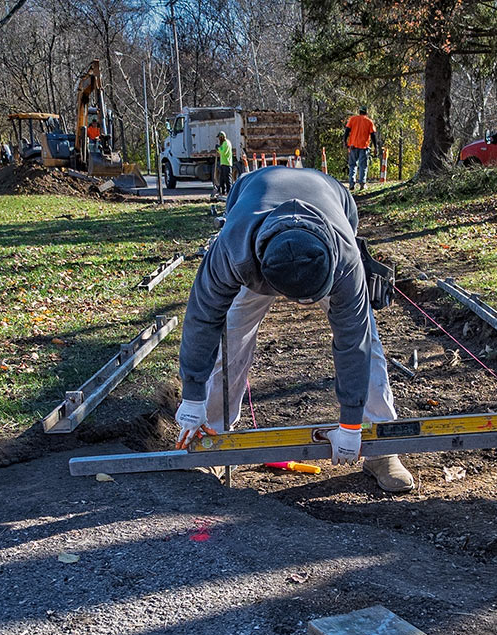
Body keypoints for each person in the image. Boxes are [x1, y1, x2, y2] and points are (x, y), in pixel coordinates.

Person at [173, 165, 413, 493]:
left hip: (329, 215)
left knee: (366, 336)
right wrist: (192, 394)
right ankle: (212, 438)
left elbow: (352, 341)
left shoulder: (345, 262)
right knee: (230, 334)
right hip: (257, 234)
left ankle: (378, 445)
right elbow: (203, 318)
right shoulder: (233, 249)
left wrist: (351, 423)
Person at [344, 107, 376, 189]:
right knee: (363, 166)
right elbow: (373, 135)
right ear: (366, 112)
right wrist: (375, 147)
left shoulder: (352, 119)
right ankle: (362, 183)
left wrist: (345, 141)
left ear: (359, 112)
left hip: (353, 146)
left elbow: (347, 131)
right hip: (363, 147)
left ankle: (351, 183)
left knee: (352, 165)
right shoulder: (369, 122)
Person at [212, 131, 235, 198]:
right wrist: (219, 148)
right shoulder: (224, 143)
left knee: (227, 179)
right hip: (223, 163)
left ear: (222, 137)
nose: (219, 139)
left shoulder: (226, 143)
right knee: (222, 179)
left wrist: (218, 148)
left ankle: (229, 193)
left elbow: (223, 152)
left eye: (219, 138)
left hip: (227, 163)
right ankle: (222, 192)